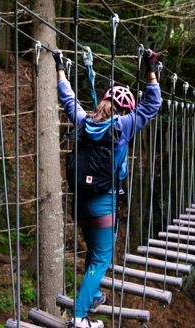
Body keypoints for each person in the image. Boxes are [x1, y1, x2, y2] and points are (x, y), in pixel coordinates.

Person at [53, 49, 162, 328]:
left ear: (103, 102)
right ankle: (79, 318)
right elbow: (152, 104)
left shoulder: (83, 121)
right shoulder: (123, 126)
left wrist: (61, 70)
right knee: (102, 260)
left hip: (80, 202)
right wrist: (150, 70)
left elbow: (67, 100)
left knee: (94, 252)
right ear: (125, 110)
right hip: (104, 202)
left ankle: (91, 298)